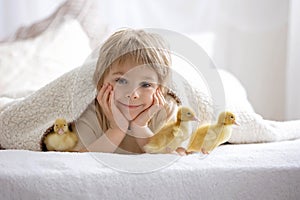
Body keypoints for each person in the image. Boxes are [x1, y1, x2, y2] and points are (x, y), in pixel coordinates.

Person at [73, 29, 181, 154]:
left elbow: (172, 163)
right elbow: (78, 162)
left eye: (145, 84)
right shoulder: (92, 112)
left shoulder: (165, 110)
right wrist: (117, 129)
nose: (133, 94)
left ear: (160, 90)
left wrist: (140, 127)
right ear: (101, 82)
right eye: (121, 81)